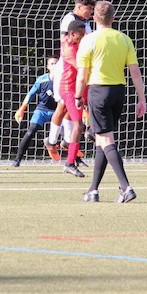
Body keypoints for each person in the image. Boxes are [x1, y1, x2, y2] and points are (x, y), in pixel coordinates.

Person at [75, 0, 146, 203]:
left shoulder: (88, 40)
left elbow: (82, 76)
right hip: (118, 92)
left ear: (93, 18)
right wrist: (141, 99)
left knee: (106, 140)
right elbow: (135, 73)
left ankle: (126, 187)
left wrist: (78, 96)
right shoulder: (124, 39)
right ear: (113, 18)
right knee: (101, 140)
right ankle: (93, 190)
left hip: (98, 92)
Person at [46, 0, 96, 159]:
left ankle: (68, 142)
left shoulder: (86, 22)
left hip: (78, 68)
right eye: (89, 9)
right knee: (63, 105)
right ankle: (51, 141)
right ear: (79, 6)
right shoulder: (69, 19)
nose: (90, 12)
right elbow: (66, 45)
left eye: (92, 9)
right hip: (66, 69)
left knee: (73, 106)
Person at [11, 56, 59, 167]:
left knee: (68, 133)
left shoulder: (64, 80)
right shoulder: (42, 80)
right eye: (52, 64)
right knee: (30, 131)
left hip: (57, 112)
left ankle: (76, 160)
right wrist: (22, 108)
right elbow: (31, 94)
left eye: (57, 63)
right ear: (47, 67)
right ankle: (17, 159)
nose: (54, 66)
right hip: (42, 110)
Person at [58, 20, 88, 177]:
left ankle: (91, 130)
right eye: (80, 35)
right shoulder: (69, 49)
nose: (83, 38)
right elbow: (81, 68)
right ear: (72, 34)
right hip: (69, 89)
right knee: (78, 125)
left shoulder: (73, 42)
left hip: (79, 86)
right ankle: (69, 162)